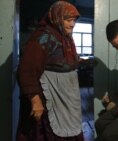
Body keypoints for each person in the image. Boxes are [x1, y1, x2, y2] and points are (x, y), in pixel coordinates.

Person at [16, 1, 84, 141]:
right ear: (56, 18)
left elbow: (64, 60)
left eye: (74, 20)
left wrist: (83, 62)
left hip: (65, 98)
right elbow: (26, 70)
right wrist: (35, 101)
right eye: (68, 20)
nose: (72, 24)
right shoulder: (44, 37)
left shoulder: (64, 37)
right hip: (49, 99)